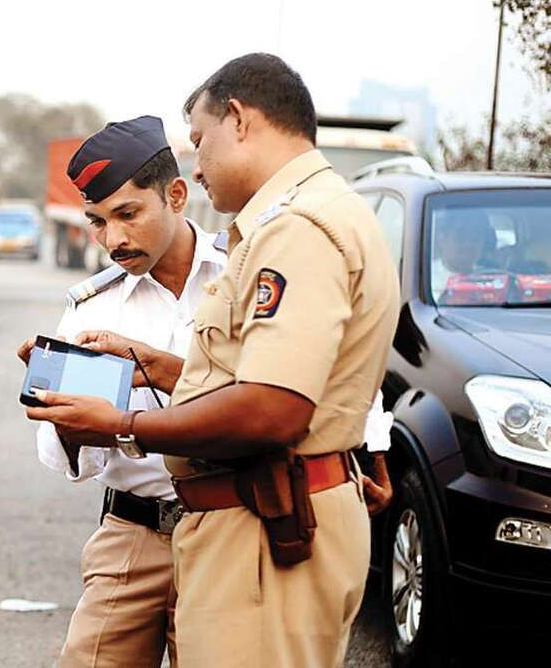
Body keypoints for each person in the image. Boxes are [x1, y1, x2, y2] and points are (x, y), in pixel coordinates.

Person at [25, 53, 401, 666]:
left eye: (201, 142)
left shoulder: (290, 232)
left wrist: (124, 422)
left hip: (260, 515)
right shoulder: (96, 305)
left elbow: (275, 402)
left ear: (239, 119)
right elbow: (269, 375)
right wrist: (142, 375)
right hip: (156, 526)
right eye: (97, 222)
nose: (200, 166)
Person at [20, 116, 226, 668]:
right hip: (130, 536)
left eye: (128, 215)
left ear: (176, 195)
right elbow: (72, 461)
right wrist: (66, 423)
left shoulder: (242, 277)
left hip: (228, 531)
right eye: (97, 222)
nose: (113, 239)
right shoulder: (92, 309)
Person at [430, 211, 493, 300]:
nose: (468, 244)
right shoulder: (427, 279)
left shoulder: (491, 278)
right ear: (442, 238)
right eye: (460, 236)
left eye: (475, 237)